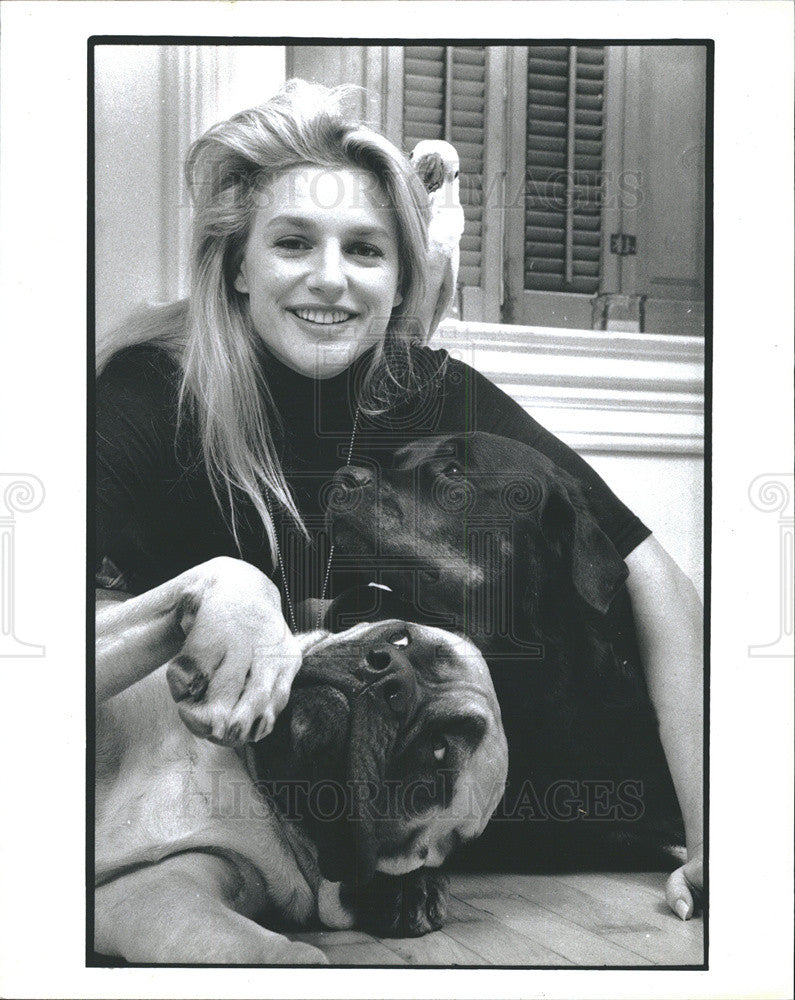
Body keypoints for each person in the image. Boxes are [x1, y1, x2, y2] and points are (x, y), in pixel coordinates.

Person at [96, 80, 703, 921]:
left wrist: (720, 831)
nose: (331, 280)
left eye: (366, 251)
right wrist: (204, 595)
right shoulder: (153, 396)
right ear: (237, 265)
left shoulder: (425, 387)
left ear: (400, 278)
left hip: (567, 825)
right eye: (295, 243)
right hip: (303, 838)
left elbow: (653, 577)